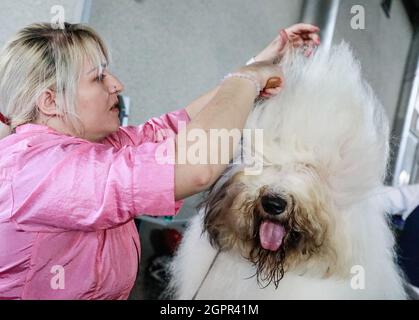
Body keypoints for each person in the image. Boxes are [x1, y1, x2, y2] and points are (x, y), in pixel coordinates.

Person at [0, 22, 320, 299]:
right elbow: (195, 166)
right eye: (98, 77)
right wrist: (247, 80)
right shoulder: (38, 170)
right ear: (50, 101)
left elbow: (174, 128)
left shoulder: (92, 148)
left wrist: (257, 64)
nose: (116, 84)